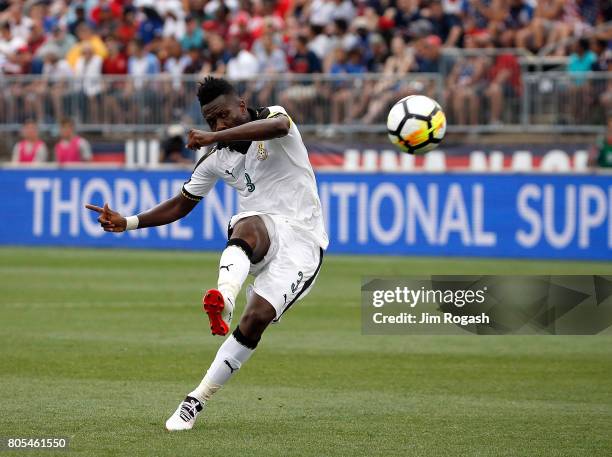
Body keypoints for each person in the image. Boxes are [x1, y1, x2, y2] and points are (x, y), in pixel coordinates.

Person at [85, 76, 328, 431]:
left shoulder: (275, 117)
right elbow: (182, 204)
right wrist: (129, 222)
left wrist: (214, 138)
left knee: (255, 320)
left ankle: (196, 398)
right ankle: (224, 298)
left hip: (305, 242)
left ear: (242, 105)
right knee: (247, 224)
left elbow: (276, 127)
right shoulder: (216, 160)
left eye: (223, 115)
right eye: (211, 121)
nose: (218, 124)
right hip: (263, 230)